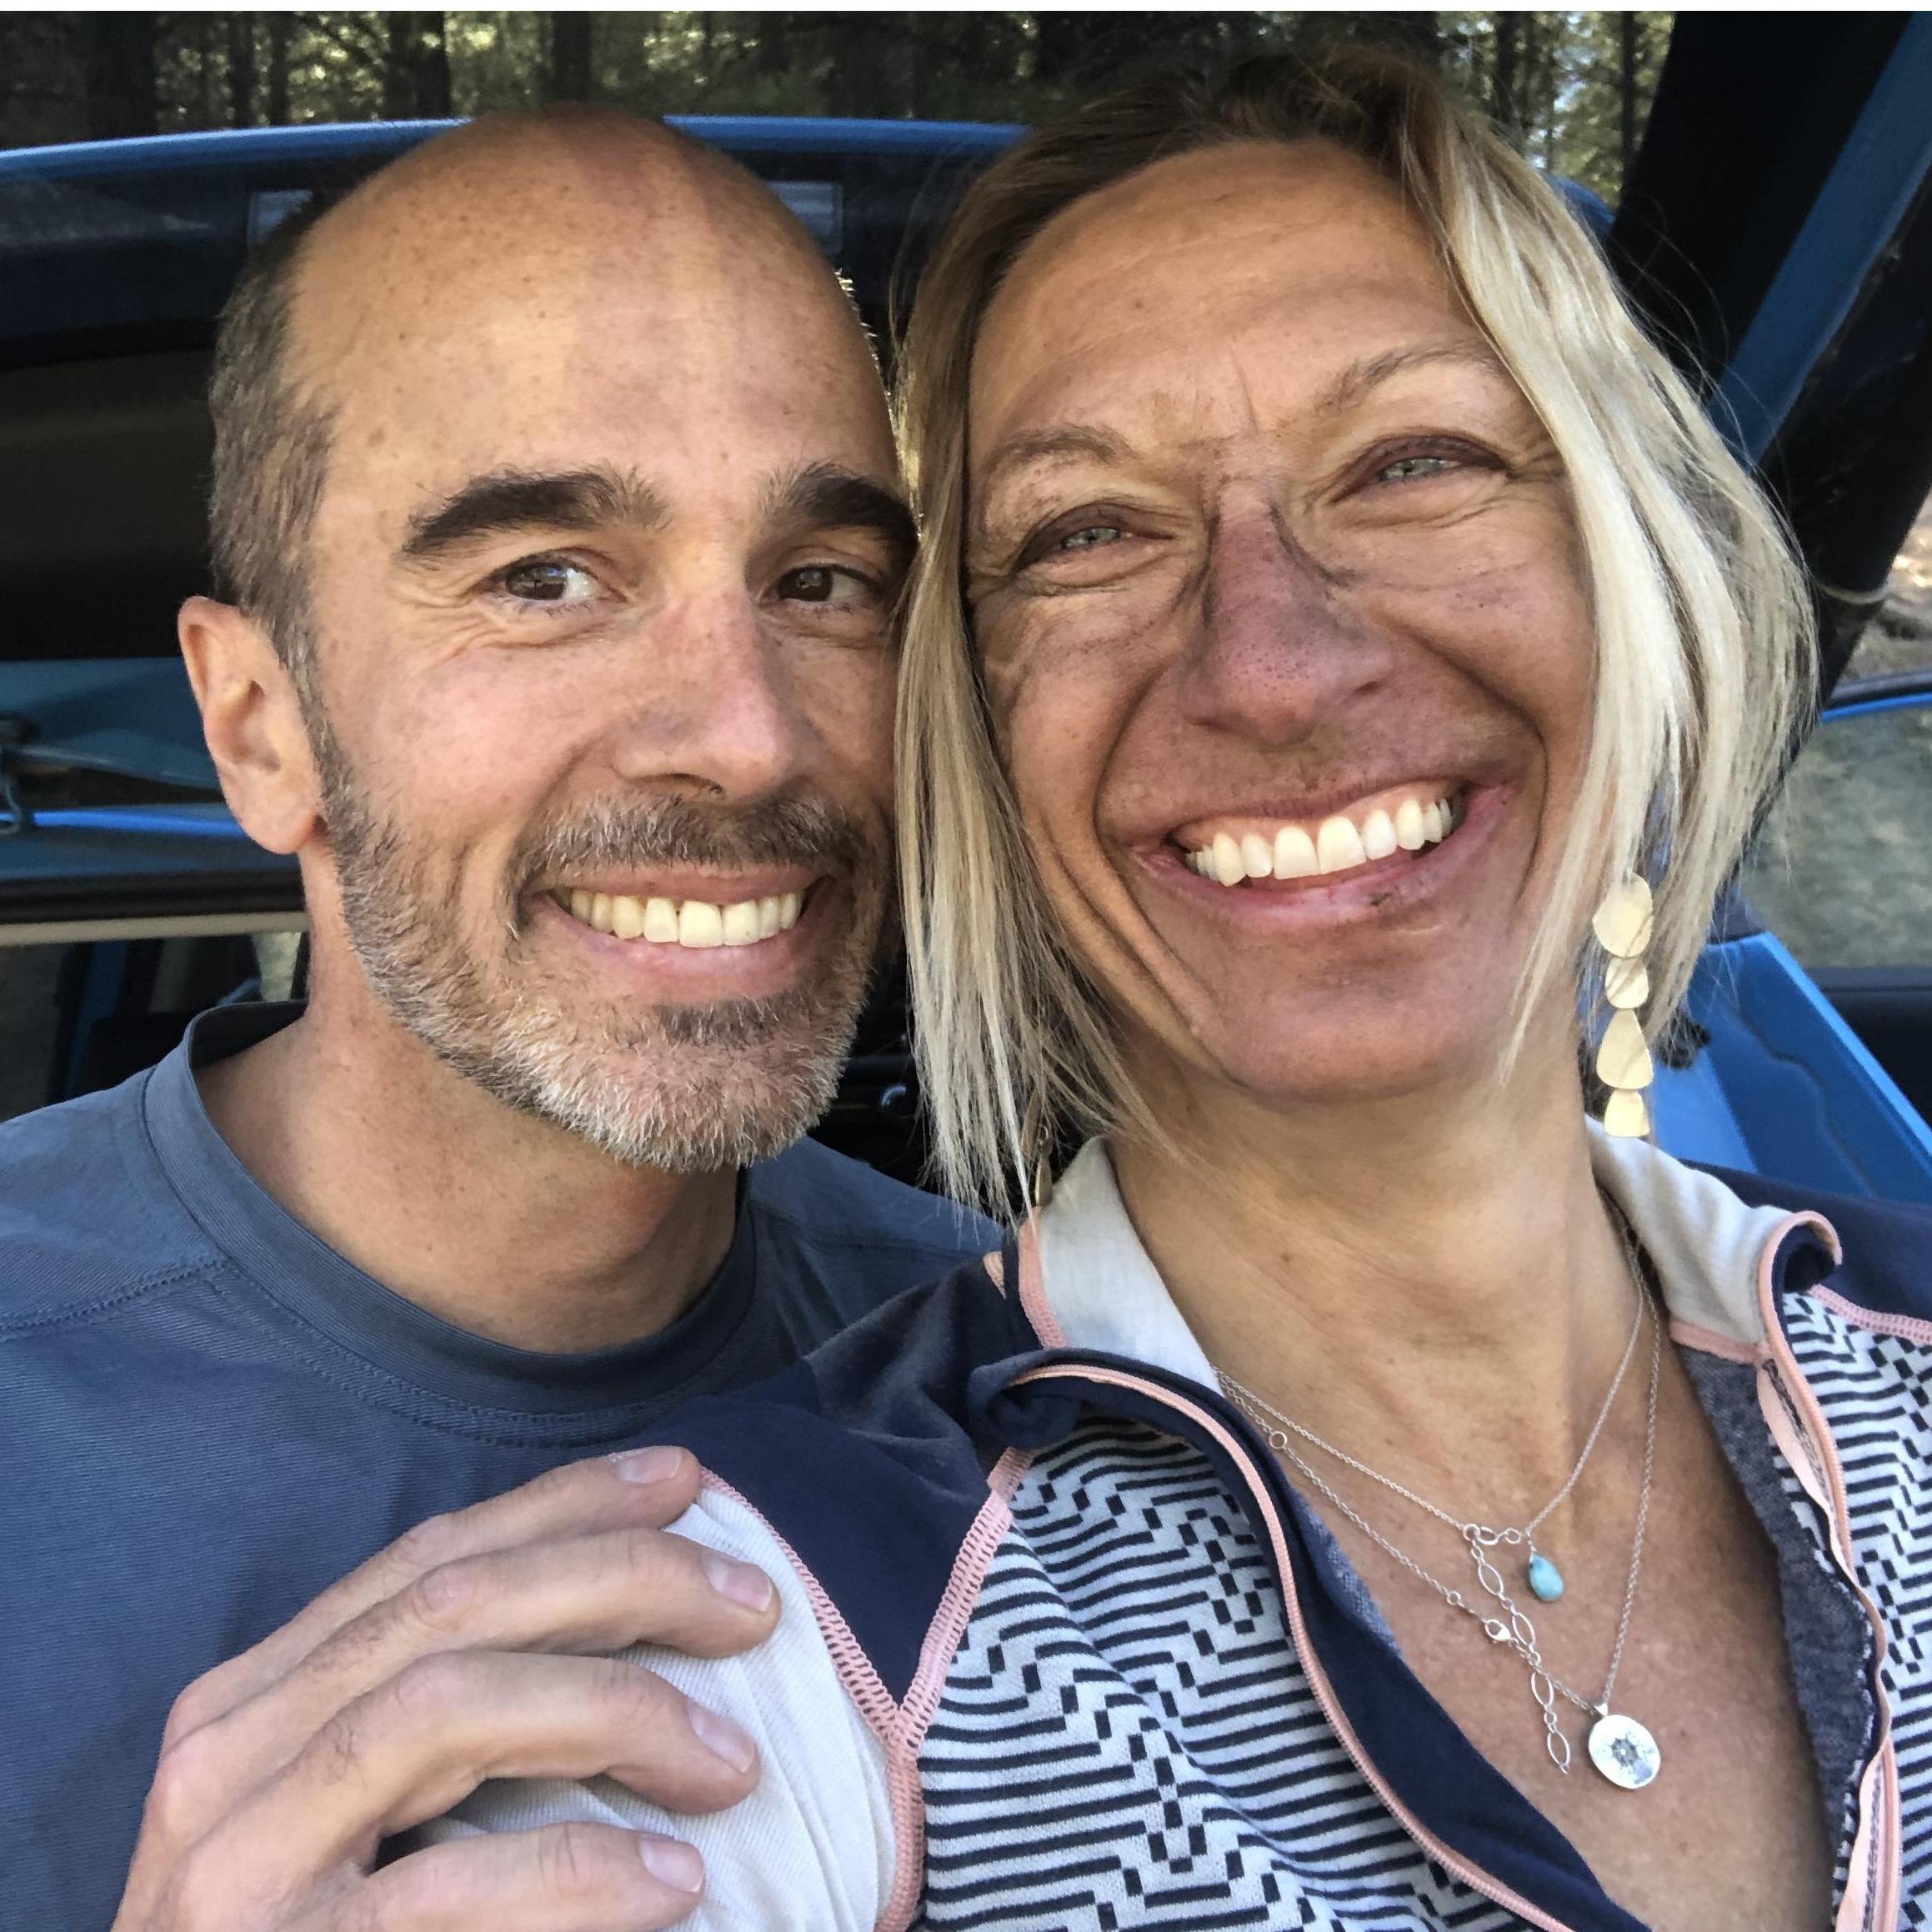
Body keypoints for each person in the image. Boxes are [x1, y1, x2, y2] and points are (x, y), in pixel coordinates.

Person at [425, 52, 1932, 1932]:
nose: (1274, 663)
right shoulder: (778, 1634)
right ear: (973, 731)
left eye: (1412, 465)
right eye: (1088, 533)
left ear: (1634, 570)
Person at [2, 110, 994, 1931]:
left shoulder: (1028, 1376)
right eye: (545, 576)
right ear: (257, 727)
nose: (750, 735)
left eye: (821, 581)